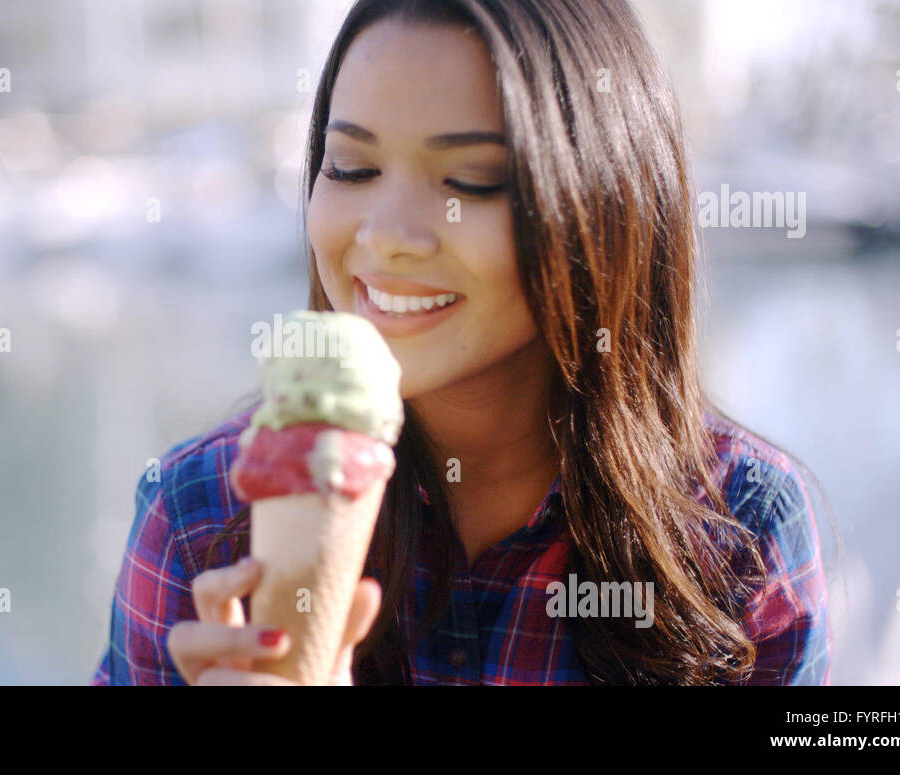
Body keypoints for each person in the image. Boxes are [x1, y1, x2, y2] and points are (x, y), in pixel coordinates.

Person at [91, 0, 832, 686]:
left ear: (605, 204)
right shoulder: (202, 519)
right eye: (352, 167)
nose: (383, 234)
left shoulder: (741, 531)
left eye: (470, 180)